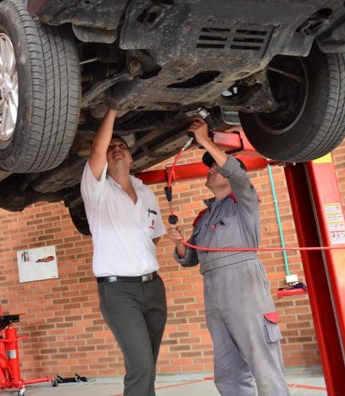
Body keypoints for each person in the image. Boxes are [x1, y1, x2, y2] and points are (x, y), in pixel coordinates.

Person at [169, 117, 289, 396]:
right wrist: (180, 243)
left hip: (244, 286)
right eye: (209, 168)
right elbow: (190, 260)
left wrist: (206, 142)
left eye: (213, 167)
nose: (208, 172)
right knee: (227, 372)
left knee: (264, 366)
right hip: (214, 292)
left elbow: (238, 175)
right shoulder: (204, 215)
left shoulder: (244, 201)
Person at [81, 107, 167, 396]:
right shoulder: (97, 191)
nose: (117, 150)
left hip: (153, 287)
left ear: (131, 157)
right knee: (141, 366)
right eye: (112, 147)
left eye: (123, 147)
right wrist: (113, 109)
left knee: (147, 367)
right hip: (119, 293)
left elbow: (153, 237)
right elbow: (96, 150)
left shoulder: (147, 193)